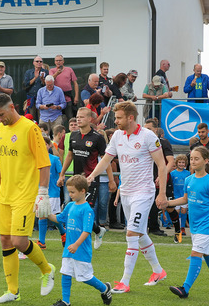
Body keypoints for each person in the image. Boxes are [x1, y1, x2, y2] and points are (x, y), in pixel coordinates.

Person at [87, 101, 169, 293]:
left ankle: (124, 281)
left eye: (119, 118)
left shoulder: (148, 136)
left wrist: (162, 193)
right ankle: (158, 271)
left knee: (131, 234)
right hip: (126, 193)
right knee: (140, 235)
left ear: (130, 117)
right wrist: (91, 176)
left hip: (144, 193)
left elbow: (162, 165)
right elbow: (106, 159)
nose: (115, 121)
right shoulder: (117, 135)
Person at [0, 93, 56, 303]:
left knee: (18, 241)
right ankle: (12, 291)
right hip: (6, 194)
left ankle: (47, 269)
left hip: (25, 194)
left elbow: (44, 163)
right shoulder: (0, 129)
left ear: (11, 107)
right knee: (5, 240)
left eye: (1, 115)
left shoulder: (30, 128)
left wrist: (42, 193)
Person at [167, 146, 209, 298]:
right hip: (195, 226)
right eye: (191, 159)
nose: (193, 161)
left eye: (196, 159)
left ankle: (185, 289)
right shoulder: (189, 179)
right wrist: (167, 204)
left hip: (206, 225)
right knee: (208, 253)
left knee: (196, 253)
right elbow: (184, 199)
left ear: (205, 160)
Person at [44, 174, 113, 306]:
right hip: (69, 249)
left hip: (81, 250)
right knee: (66, 272)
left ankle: (104, 288)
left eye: (72, 192)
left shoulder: (87, 210)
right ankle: (65, 301)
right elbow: (59, 219)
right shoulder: (70, 206)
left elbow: (87, 231)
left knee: (85, 277)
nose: (70, 194)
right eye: (69, 192)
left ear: (83, 191)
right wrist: (46, 213)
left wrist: (76, 244)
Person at [57, 107, 113, 248]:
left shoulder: (98, 137)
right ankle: (98, 230)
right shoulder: (73, 136)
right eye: (77, 117)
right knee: (75, 210)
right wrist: (62, 174)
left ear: (89, 119)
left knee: (85, 210)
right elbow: (69, 155)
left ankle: (80, 242)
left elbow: (105, 160)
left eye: (82, 117)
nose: (78, 119)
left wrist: (112, 180)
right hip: (76, 180)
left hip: (91, 181)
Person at [37, 136, 66, 249]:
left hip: (53, 192)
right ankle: (42, 242)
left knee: (51, 216)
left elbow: (60, 174)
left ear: (49, 145)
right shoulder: (35, 158)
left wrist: (60, 180)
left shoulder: (54, 159)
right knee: (42, 215)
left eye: (44, 144)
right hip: (39, 192)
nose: (42, 146)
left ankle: (63, 233)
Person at [50, 55, 79, 124]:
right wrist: (57, 73)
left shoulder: (69, 70)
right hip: (56, 98)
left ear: (63, 61)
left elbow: (75, 83)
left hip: (67, 97)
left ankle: (72, 132)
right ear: (54, 62)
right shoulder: (52, 70)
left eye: (60, 60)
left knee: (70, 117)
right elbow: (50, 80)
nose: (58, 62)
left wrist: (76, 96)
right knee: (56, 118)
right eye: (57, 60)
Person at [170, 155, 190, 242]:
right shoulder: (173, 173)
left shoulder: (188, 173)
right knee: (176, 212)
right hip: (176, 196)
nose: (181, 164)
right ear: (176, 163)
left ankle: (182, 227)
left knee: (184, 211)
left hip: (184, 196)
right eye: (180, 162)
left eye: (183, 162)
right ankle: (177, 227)